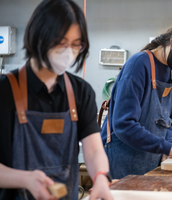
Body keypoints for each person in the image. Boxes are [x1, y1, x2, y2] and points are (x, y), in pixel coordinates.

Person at [0, 1, 112, 200]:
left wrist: (101, 178)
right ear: (38, 37)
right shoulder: (5, 90)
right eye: (61, 42)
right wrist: (25, 179)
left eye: (76, 44)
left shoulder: (80, 92)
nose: (68, 51)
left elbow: (93, 149)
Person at [100, 18, 172, 179]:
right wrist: (166, 147)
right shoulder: (138, 64)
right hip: (121, 155)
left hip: (151, 156)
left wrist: (170, 148)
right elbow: (123, 125)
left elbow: (170, 120)